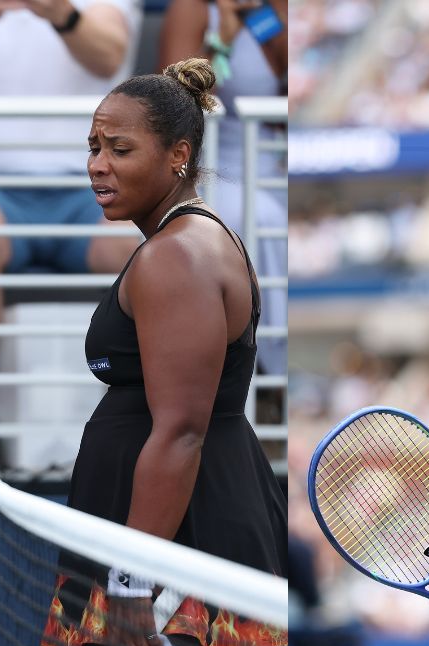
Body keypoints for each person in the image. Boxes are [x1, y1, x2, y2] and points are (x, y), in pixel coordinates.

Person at [40, 59, 287, 646]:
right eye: (94, 147)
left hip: (175, 541)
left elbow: (180, 430)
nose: (98, 166)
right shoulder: (182, 242)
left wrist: (131, 582)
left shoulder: (177, 255)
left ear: (178, 156)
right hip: (176, 531)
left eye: (120, 150)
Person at [0, 0, 143, 404]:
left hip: (89, 180)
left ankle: (144, 406)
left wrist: (59, 11)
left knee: (143, 249)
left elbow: (110, 56)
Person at [158, 0, 288, 376]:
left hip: (274, 163)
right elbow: (172, 103)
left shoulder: (272, 13)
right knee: (261, 218)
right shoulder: (193, 10)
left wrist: (265, 21)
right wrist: (223, 39)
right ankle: (265, 369)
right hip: (215, 166)